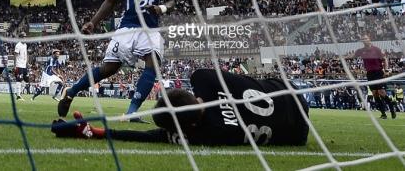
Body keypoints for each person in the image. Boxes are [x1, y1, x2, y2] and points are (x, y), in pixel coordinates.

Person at [58, 0, 175, 122]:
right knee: (108, 69)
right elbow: (110, 1)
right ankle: (71, 92)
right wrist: (93, 22)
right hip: (127, 27)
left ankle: (131, 112)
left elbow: (172, 1)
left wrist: (161, 8)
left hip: (151, 30)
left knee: (153, 66)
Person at [52, 69, 309, 146]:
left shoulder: (209, 132)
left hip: (298, 133)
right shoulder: (203, 78)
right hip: (289, 92)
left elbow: (150, 136)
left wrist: (99, 132)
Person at [350, 34, 396, 119]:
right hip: (370, 74)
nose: (364, 40)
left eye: (366, 38)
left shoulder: (376, 49)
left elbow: (385, 59)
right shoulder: (361, 51)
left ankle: (392, 109)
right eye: (363, 39)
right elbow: (352, 56)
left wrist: (386, 70)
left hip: (378, 72)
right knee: (375, 94)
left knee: (381, 92)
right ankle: (383, 114)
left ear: (369, 39)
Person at [14, 31, 29, 100]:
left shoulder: (25, 45)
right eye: (23, 37)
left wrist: (27, 63)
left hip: (24, 65)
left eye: (25, 37)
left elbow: (25, 54)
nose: (25, 38)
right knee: (19, 79)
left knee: (26, 80)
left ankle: (18, 92)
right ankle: (18, 95)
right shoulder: (18, 45)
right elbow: (15, 55)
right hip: (19, 65)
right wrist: (15, 65)